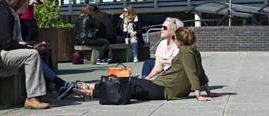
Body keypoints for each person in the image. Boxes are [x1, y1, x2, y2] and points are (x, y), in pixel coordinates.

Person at [74, 27, 224, 102]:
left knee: (128, 84)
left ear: (178, 40)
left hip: (165, 88)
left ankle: (91, 90)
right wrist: (208, 92)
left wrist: (199, 95)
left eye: (175, 39)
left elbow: (193, 74)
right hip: (165, 86)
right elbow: (201, 73)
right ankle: (91, 89)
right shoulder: (194, 51)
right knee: (128, 86)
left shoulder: (185, 53)